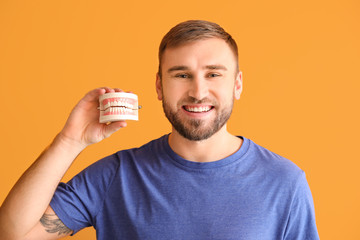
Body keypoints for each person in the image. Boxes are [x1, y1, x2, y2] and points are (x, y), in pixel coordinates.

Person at [0, 20, 319, 240]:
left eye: (213, 74)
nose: (197, 92)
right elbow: (11, 234)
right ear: (158, 85)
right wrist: (69, 141)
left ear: (237, 85)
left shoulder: (285, 183)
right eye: (181, 75)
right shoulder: (116, 176)